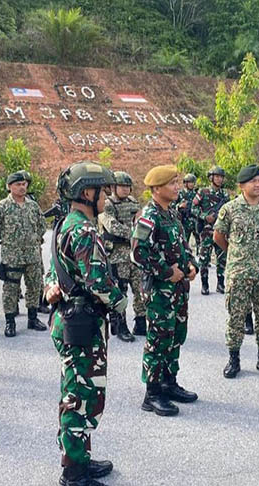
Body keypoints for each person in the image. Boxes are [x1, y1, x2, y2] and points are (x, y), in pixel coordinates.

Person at [44, 161, 126, 486]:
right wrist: (121, 301)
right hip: (83, 326)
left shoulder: (65, 223)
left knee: (76, 392)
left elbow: (54, 271)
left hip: (68, 321)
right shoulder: (84, 230)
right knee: (82, 397)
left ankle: (80, 457)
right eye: (102, 190)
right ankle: (74, 474)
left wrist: (53, 288)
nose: (105, 196)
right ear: (87, 192)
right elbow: (98, 283)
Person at [131, 165, 199, 417]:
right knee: (158, 339)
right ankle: (152, 393)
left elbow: (184, 246)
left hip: (178, 291)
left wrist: (192, 265)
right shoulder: (149, 216)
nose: (177, 187)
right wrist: (166, 272)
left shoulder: (171, 214)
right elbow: (138, 252)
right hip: (160, 291)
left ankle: (169, 383)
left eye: (177, 182)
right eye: (172, 183)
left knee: (175, 335)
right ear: (157, 189)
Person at [214, 165, 259, 379]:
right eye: (253, 181)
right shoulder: (230, 209)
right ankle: (234, 359)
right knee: (236, 317)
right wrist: (235, 254)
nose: (258, 184)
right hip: (239, 274)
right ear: (242, 185)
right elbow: (218, 236)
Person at [0, 170, 48, 337]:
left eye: (24, 184)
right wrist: (9, 239)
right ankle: (10, 322)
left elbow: (42, 225)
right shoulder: (2, 207)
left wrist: (35, 238)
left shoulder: (33, 206)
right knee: (10, 289)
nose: (22, 187)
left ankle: (33, 318)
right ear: (9, 187)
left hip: (32, 255)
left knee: (34, 286)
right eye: (18, 185)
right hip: (12, 255)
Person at [98, 171, 145, 341]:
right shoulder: (107, 204)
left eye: (127, 186)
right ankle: (121, 325)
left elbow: (142, 220)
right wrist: (134, 233)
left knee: (140, 289)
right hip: (117, 255)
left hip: (134, 253)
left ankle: (140, 322)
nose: (125, 190)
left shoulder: (134, 203)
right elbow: (111, 226)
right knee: (121, 291)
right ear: (113, 187)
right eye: (122, 186)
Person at [192, 166, 230, 295]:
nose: (219, 179)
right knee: (204, 258)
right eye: (217, 176)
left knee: (222, 258)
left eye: (221, 177)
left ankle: (220, 284)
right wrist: (204, 216)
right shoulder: (203, 192)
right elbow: (193, 208)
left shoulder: (225, 194)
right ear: (211, 177)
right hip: (206, 231)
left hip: (220, 231)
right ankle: (205, 285)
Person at [175, 173, 199, 248]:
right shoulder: (180, 194)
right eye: (190, 182)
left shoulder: (197, 194)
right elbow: (171, 206)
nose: (192, 184)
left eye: (193, 182)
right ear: (185, 183)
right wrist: (179, 206)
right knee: (184, 242)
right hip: (184, 221)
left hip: (195, 221)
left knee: (199, 242)